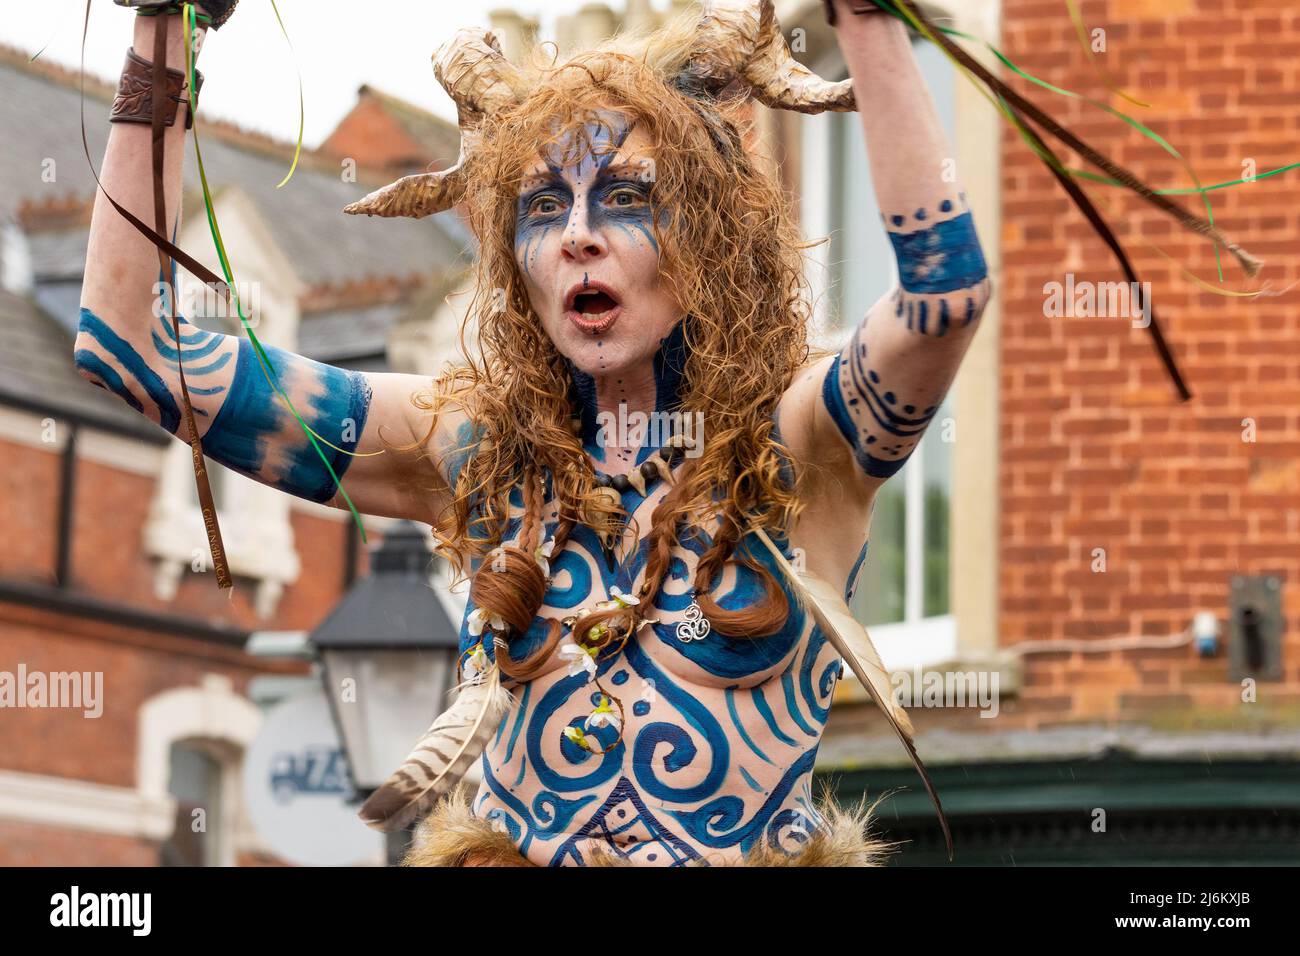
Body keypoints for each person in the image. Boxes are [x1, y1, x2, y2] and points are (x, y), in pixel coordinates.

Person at [77, 0, 990, 866]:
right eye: (544, 207)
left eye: (628, 197)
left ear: (710, 234)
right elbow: (131, 349)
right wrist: (167, 30)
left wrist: (865, 21)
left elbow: (943, 302)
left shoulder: (796, 446)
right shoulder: (468, 449)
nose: (578, 237)